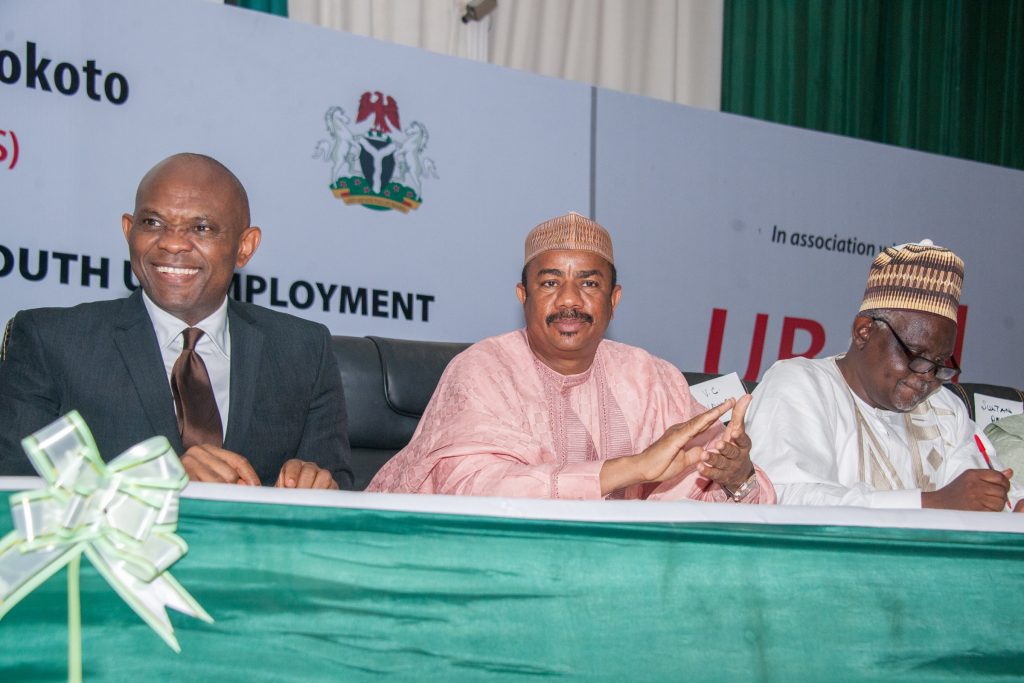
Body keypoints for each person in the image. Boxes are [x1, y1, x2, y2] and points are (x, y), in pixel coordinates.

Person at [0, 153, 352, 489]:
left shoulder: (303, 350)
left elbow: (338, 488)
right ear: (128, 230)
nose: (171, 243)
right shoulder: (51, 340)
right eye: (153, 223)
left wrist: (316, 481)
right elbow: (16, 488)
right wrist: (160, 478)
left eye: (201, 228)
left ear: (245, 247)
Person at [368, 212, 775, 502]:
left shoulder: (651, 377)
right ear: (522, 296)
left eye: (589, 283)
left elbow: (694, 495)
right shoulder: (483, 369)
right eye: (549, 282)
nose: (568, 300)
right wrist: (633, 468)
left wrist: (737, 477)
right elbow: (475, 489)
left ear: (613, 300)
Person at [746, 240, 1023, 511]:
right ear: (863, 331)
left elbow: (984, 495)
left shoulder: (945, 409)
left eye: (939, 363)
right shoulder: (800, 383)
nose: (928, 376)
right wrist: (930, 503)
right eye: (915, 355)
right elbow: (782, 497)